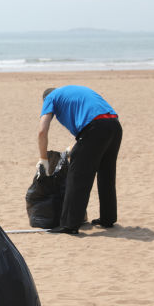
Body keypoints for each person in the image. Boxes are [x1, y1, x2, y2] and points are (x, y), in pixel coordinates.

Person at [37, 85, 122, 234]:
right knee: (106, 174)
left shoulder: (50, 98)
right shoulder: (72, 93)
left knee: (77, 177)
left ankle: (69, 225)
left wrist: (43, 158)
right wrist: (73, 149)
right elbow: (89, 127)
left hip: (95, 128)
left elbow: (42, 131)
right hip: (114, 125)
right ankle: (108, 219)